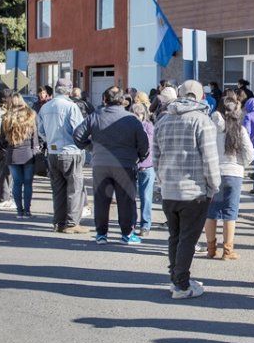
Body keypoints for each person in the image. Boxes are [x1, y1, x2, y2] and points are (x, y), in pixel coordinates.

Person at [154, 80, 220, 299]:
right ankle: (182, 284)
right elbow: (210, 160)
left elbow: (156, 157)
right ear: (200, 97)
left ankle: (176, 278)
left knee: (175, 236)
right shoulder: (202, 121)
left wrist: (162, 180)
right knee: (188, 239)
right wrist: (213, 186)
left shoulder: (162, 120)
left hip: (169, 189)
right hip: (193, 190)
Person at [75, 86, 149, 245]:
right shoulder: (131, 118)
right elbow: (144, 144)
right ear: (123, 101)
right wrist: (139, 157)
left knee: (101, 200)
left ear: (104, 100)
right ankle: (127, 234)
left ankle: (101, 234)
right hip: (125, 164)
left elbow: (78, 135)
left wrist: (91, 147)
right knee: (126, 201)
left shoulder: (95, 116)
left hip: (101, 164)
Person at [205, 96, 254, 260]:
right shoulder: (240, 130)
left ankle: (211, 249)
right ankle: (228, 251)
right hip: (233, 173)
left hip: (214, 172)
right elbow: (249, 153)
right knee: (230, 213)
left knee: (211, 212)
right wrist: (240, 163)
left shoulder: (210, 128)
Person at [38, 77, 87, 233]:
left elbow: (41, 131)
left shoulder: (45, 107)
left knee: (58, 189)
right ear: (70, 90)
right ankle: (72, 223)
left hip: (53, 152)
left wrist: (51, 140)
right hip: (70, 151)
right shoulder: (71, 107)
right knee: (74, 188)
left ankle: (59, 222)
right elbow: (79, 130)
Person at [0, 94, 38, 219]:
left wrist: (8, 146)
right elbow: (35, 136)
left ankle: (19, 211)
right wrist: (35, 150)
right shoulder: (31, 115)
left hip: (12, 154)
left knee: (17, 183)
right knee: (28, 183)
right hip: (28, 153)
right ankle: (27, 211)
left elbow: (1, 139)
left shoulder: (6, 117)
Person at [131, 102, 156, 237]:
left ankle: (145, 225)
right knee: (132, 198)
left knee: (146, 198)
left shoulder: (148, 127)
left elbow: (148, 145)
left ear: (143, 114)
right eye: (134, 113)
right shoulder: (130, 127)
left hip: (146, 166)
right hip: (134, 166)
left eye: (139, 114)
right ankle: (132, 224)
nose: (136, 116)